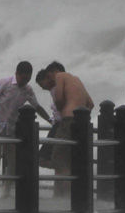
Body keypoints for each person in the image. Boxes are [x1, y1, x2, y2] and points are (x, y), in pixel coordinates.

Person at [0, 61, 51, 197]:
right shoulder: (5, 82)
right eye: (23, 78)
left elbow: (37, 107)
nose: (24, 81)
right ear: (17, 74)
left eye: (28, 79)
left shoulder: (28, 90)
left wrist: (50, 120)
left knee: (12, 163)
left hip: (11, 130)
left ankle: (6, 193)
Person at [36, 67, 95, 197]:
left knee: (59, 161)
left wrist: (63, 109)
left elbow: (58, 99)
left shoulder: (59, 76)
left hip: (67, 121)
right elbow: (91, 104)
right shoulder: (76, 79)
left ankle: (65, 198)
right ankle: (76, 197)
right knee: (71, 161)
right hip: (82, 123)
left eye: (49, 76)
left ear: (52, 73)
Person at [35, 61, 66, 168]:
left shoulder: (55, 90)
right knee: (52, 157)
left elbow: (61, 108)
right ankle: (63, 169)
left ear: (47, 78)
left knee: (42, 158)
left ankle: (62, 169)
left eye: (41, 84)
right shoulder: (59, 88)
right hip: (57, 125)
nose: (42, 87)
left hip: (59, 126)